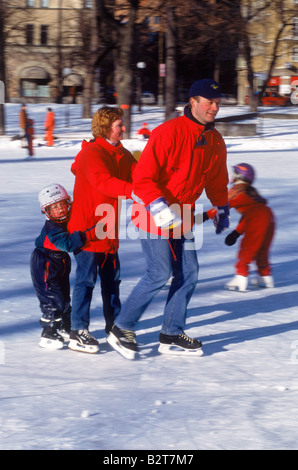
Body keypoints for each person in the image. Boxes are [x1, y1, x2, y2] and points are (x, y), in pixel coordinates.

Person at [107, 78, 230, 360]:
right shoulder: (168, 133)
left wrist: (221, 207)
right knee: (159, 272)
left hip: (182, 215)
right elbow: (143, 177)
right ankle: (121, 327)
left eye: (218, 103)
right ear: (193, 102)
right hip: (152, 214)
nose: (215, 107)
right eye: (209, 102)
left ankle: (172, 333)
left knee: (189, 272)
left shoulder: (214, 140)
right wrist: (159, 206)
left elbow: (217, 180)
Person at [67, 106, 136, 353]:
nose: (124, 129)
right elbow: (103, 182)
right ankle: (77, 330)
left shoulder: (123, 154)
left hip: (108, 230)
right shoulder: (92, 153)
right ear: (106, 127)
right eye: (119, 125)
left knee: (112, 281)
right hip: (87, 229)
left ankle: (115, 328)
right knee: (86, 280)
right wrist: (131, 190)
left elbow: (140, 176)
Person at [30, 183, 96, 349]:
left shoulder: (69, 216)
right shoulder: (52, 227)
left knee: (64, 296)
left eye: (62, 205)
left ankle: (66, 326)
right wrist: (87, 235)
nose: (59, 210)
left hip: (61, 261)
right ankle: (49, 331)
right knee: (52, 297)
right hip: (45, 262)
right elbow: (66, 244)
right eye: (54, 207)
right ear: (47, 211)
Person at [209, 163, 275, 292]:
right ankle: (265, 276)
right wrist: (236, 233)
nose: (232, 176)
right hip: (269, 217)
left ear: (240, 176)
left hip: (257, 218)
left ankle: (241, 277)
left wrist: (203, 217)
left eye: (234, 173)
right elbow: (252, 215)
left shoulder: (237, 190)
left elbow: (222, 205)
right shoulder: (251, 191)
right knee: (262, 248)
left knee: (247, 248)